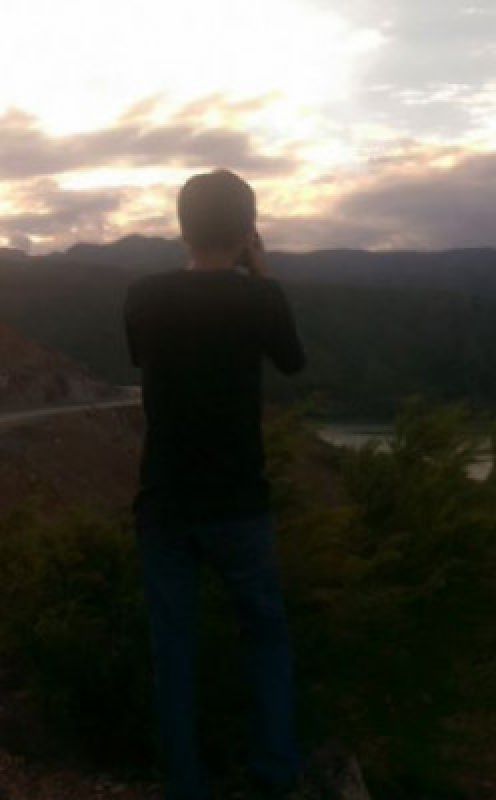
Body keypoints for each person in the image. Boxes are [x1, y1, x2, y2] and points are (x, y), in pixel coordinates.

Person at [124, 168, 306, 800]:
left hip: (165, 499)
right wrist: (261, 274)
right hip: (238, 502)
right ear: (248, 230)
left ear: (182, 226)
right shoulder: (261, 299)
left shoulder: (143, 295)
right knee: (265, 634)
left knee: (172, 647)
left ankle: (184, 783)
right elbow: (291, 359)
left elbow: (137, 356)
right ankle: (275, 772)